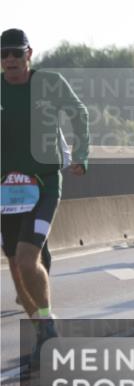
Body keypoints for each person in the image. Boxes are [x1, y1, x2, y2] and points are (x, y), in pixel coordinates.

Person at [1, 28, 90, 366]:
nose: (9, 59)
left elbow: (79, 114)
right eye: (3, 54)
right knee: (16, 264)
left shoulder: (49, 83)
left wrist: (81, 154)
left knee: (26, 259)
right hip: (5, 189)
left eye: (16, 53)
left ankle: (48, 326)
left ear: (29, 54)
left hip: (44, 183)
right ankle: (41, 333)